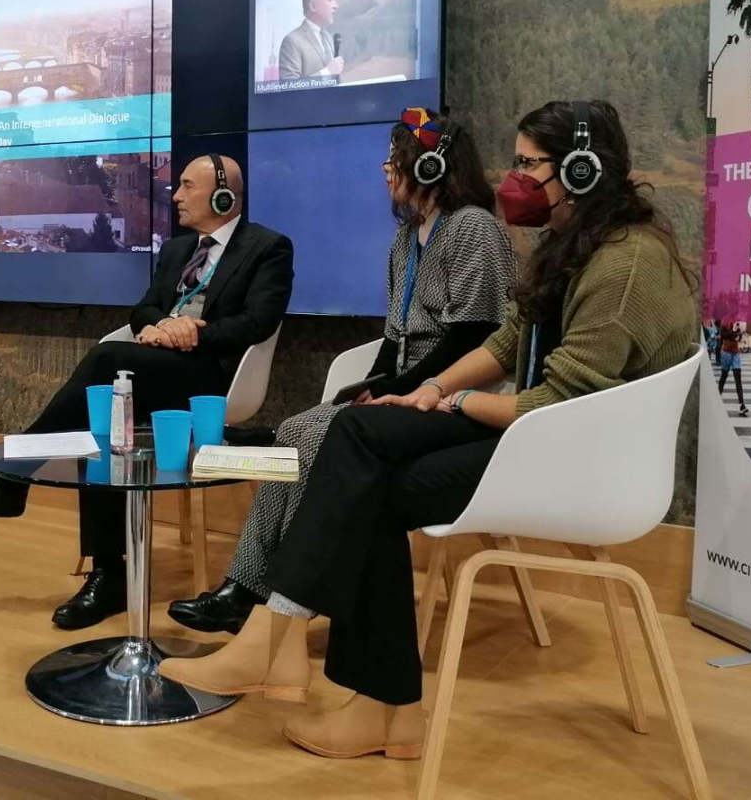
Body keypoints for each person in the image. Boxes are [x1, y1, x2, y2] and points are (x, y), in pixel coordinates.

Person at [157, 99, 700, 760]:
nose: (515, 177)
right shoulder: (575, 245)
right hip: (539, 436)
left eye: (529, 164)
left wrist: (454, 403)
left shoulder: (624, 263)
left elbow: (556, 399)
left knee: (364, 469)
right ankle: (353, 693)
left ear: (582, 170)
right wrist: (433, 390)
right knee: (361, 446)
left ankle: (303, 657)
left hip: (578, 459)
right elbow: (508, 342)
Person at [168, 110, 516, 634]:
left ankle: (267, 594)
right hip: (407, 390)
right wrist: (368, 390)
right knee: (295, 430)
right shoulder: (406, 239)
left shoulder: (472, 228)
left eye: (395, 161)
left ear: (430, 168)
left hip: (455, 393)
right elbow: (394, 339)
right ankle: (249, 585)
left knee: (315, 437)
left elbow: (475, 333)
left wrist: (400, 391)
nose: (386, 172)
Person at [0, 155, 294, 629]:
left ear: (224, 197)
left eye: (186, 186)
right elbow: (144, 309)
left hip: (212, 378)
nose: (176, 196)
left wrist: (189, 333)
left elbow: (259, 321)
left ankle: (8, 480)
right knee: (100, 416)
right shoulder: (178, 249)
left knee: (105, 362)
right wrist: (161, 325)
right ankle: (108, 575)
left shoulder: (267, 247)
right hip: (156, 366)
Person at [277, 0, 344, 83]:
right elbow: (289, 86)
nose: (336, 6)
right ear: (313, 6)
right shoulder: (292, 41)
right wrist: (327, 72)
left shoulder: (328, 38)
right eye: (330, 0)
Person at [717, 320, 749, 417]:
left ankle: (742, 405)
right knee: (724, 376)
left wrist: (740, 333)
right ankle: (717, 399)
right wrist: (733, 332)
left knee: (738, 378)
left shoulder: (740, 323)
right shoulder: (725, 321)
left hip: (736, 353)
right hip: (726, 352)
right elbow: (722, 335)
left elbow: (739, 338)